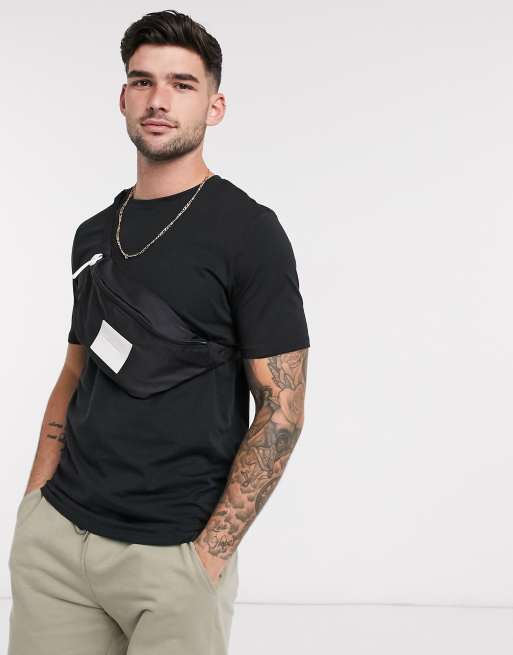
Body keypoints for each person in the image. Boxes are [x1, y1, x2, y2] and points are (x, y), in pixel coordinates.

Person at [7, 9, 310, 655]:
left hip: (174, 554)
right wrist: (34, 503)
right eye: (142, 81)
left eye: (182, 84)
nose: (158, 100)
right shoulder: (94, 232)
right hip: (58, 543)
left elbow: (281, 406)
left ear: (214, 106)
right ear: (123, 98)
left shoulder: (248, 231)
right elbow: (76, 370)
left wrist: (208, 557)